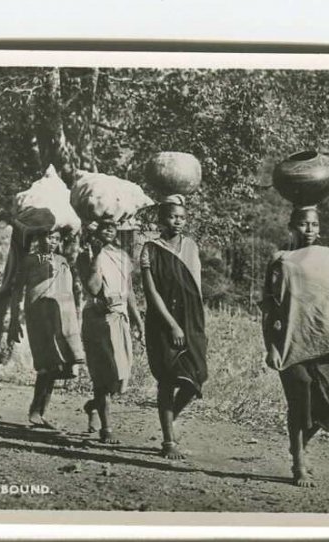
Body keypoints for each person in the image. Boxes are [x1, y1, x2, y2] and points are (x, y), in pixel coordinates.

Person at [260, 206, 329, 487]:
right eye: (303, 224)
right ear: (291, 226)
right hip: (290, 342)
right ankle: (299, 462)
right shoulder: (281, 260)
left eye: (314, 224)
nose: (309, 230)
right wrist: (271, 347)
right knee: (300, 404)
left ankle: (299, 445)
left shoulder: (326, 256)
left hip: (323, 341)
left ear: (320, 228)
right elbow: (268, 309)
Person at [140, 194, 208, 460]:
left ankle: (168, 418)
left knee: (196, 377)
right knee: (168, 379)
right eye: (171, 216)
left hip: (192, 319)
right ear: (160, 219)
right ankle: (169, 440)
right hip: (162, 320)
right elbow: (151, 292)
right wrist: (172, 325)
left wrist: (196, 324)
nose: (177, 222)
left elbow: (197, 287)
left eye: (181, 217)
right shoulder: (149, 248)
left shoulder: (191, 246)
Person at [8, 228, 86, 429]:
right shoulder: (30, 260)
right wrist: (14, 320)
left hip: (61, 315)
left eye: (57, 238)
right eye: (49, 237)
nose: (52, 241)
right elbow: (17, 289)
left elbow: (68, 290)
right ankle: (36, 411)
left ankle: (39, 411)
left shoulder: (62, 260)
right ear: (40, 237)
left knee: (60, 364)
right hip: (38, 314)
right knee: (46, 363)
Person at [78, 220, 144, 444]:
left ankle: (93, 406)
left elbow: (130, 291)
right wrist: (96, 257)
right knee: (103, 374)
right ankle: (106, 428)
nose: (108, 229)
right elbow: (94, 288)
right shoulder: (84, 254)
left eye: (112, 226)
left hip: (120, 316)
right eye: (103, 225)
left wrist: (138, 322)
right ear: (94, 228)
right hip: (97, 319)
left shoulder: (122, 256)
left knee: (120, 376)